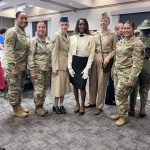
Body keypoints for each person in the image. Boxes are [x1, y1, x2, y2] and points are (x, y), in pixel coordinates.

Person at [111, 21, 145, 126]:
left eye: (128, 28)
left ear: (133, 29)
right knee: (119, 95)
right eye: (124, 28)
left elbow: (137, 64)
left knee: (120, 94)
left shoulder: (137, 43)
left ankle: (124, 117)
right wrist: (113, 70)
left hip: (127, 74)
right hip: (117, 72)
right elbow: (116, 57)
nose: (125, 30)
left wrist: (132, 78)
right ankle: (121, 112)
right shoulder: (121, 42)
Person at [85, 12, 117, 115]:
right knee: (92, 82)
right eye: (102, 20)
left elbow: (115, 50)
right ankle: (92, 102)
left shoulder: (113, 34)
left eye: (105, 21)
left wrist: (108, 58)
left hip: (105, 60)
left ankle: (99, 105)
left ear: (108, 22)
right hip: (94, 59)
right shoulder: (95, 34)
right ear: (100, 21)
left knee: (102, 84)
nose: (103, 22)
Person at [4, 11, 29, 118]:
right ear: (16, 19)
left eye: (26, 18)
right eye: (21, 18)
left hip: (21, 67)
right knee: (14, 89)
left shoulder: (23, 33)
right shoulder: (12, 32)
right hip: (13, 67)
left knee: (20, 88)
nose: (24, 20)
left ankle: (18, 105)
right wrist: (13, 68)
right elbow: (9, 52)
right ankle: (15, 109)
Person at [68, 18, 95, 115]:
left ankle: (83, 105)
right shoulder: (72, 37)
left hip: (84, 62)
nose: (82, 26)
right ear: (77, 25)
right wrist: (70, 67)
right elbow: (70, 53)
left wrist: (87, 68)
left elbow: (92, 54)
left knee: (82, 86)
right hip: (75, 62)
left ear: (86, 25)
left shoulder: (91, 38)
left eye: (84, 24)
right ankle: (77, 104)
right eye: (80, 24)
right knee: (75, 85)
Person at [28, 21, 51, 116]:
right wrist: (32, 71)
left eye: (43, 27)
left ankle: (41, 105)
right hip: (37, 70)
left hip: (47, 69)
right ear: (36, 29)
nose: (41, 29)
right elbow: (30, 56)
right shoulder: (34, 41)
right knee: (39, 89)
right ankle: (38, 107)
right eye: (39, 27)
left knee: (44, 88)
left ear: (46, 29)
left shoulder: (47, 40)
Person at [129, 19, 150, 117]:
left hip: (136, 64)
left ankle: (131, 109)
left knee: (133, 87)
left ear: (141, 30)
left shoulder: (136, 40)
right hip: (147, 65)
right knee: (144, 88)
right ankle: (142, 109)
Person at [51, 17, 71, 114]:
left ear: (68, 25)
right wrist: (54, 67)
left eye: (66, 24)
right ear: (59, 25)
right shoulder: (57, 36)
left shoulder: (68, 36)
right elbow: (54, 53)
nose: (64, 26)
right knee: (58, 88)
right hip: (58, 67)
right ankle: (55, 105)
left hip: (66, 66)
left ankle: (61, 104)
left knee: (63, 87)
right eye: (62, 25)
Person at [105, 23, 124, 105]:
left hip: (119, 63)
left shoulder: (122, 38)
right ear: (116, 30)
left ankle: (112, 97)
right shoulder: (115, 37)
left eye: (123, 28)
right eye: (121, 28)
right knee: (111, 81)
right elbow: (114, 50)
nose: (122, 30)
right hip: (113, 62)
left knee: (115, 82)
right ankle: (108, 99)